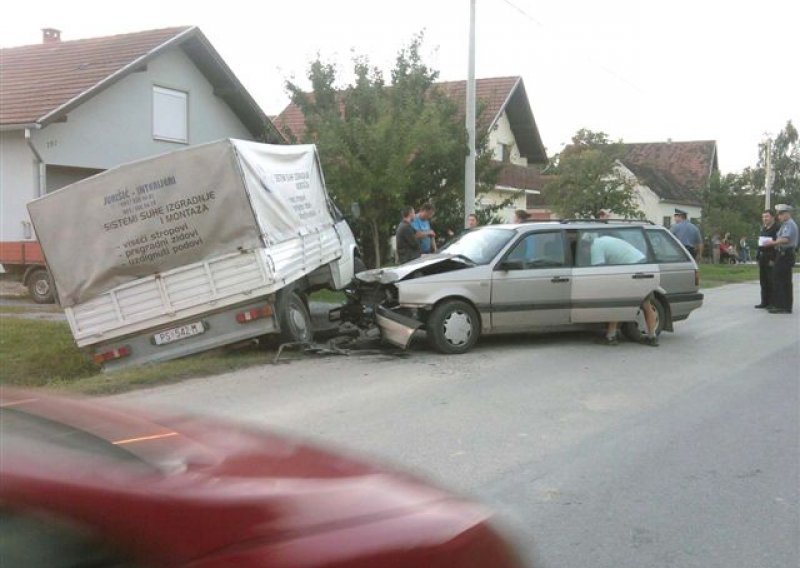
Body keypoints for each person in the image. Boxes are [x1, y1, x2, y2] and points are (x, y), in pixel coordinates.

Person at [582, 233, 659, 346]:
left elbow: (598, 271)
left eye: (583, 249)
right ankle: (652, 337)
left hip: (631, 269)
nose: (584, 252)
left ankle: (611, 337)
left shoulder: (595, 247)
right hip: (642, 265)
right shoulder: (605, 239)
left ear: (586, 245)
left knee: (617, 302)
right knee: (646, 304)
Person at [760, 204, 798, 314]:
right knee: (781, 279)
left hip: (786, 253)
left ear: (787, 213)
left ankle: (782, 305)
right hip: (782, 253)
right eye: (778, 214)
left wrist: (773, 242)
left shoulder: (790, 224)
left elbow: (786, 239)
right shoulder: (785, 225)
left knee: (780, 279)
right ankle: (783, 305)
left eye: (781, 214)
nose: (779, 216)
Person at [755, 210, 780, 309]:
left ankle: (772, 302)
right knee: (763, 280)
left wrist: (774, 259)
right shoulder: (763, 228)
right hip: (763, 256)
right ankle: (764, 301)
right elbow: (760, 243)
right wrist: (757, 256)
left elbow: (778, 244)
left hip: (771, 256)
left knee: (771, 280)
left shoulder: (777, 228)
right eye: (763, 217)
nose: (765, 219)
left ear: (773, 217)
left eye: (767, 217)